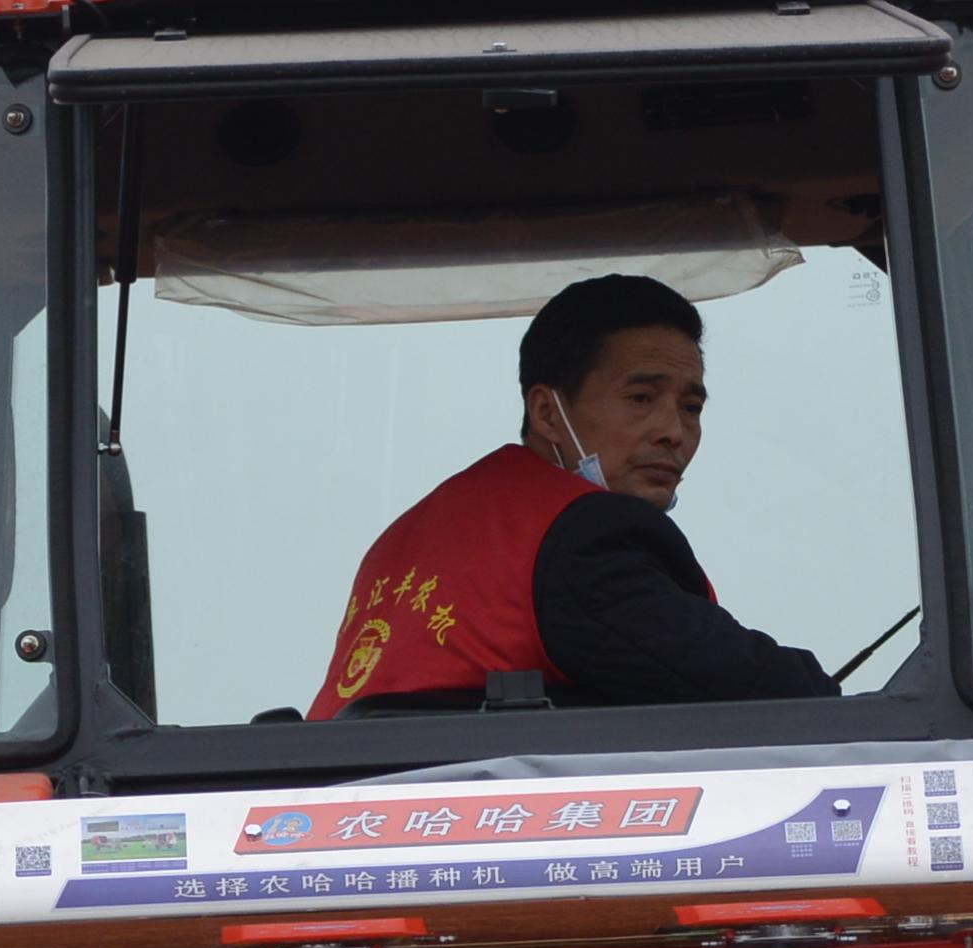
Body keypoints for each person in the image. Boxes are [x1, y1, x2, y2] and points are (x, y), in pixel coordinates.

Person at [310, 273, 843, 715]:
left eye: (691, 407)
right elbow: (747, 687)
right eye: (641, 397)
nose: (673, 431)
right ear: (547, 412)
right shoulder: (586, 537)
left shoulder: (405, 539)